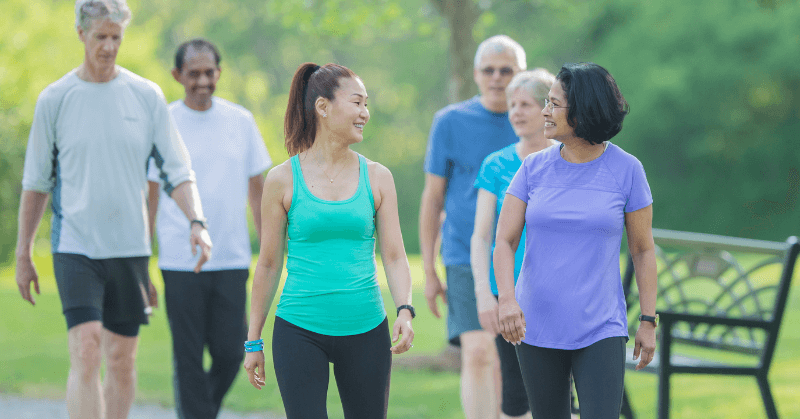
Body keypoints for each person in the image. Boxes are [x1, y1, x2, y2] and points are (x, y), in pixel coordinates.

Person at [14, 1, 212, 418]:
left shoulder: (145, 96)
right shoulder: (56, 99)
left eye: (115, 38)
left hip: (129, 248)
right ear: (81, 34)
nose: (108, 46)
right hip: (75, 247)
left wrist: (197, 221)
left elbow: (178, 170)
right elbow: (36, 184)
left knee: (121, 361)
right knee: (86, 352)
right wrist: (23, 253)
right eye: (100, 37)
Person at [243, 62, 415, 418]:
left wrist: (405, 309)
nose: (365, 113)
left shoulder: (378, 177)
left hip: (367, 328)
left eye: (366, 104)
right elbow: (269, 264)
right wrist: (253, 339)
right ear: (323, 107)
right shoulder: (282, 179)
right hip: (299, 329)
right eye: (357, 103)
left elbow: (395, 255)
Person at [495, 62, 658, 419]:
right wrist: (506, 301)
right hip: (536, 324)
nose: (544, 111)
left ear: (584, 110)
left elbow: (643, 250)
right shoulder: (533, 168)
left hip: (600, 326)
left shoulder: (628, 170)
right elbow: (504, 242)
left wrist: (647, 319)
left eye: (554, 104)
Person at [146, 39, 271, 419]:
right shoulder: (163, 123)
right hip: (179, 259)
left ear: (219, 72)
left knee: (232, 352)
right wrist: (141, 258)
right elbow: (150, 196)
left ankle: (199, 413)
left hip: (231, 257)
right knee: (187, 356)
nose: (202, 81)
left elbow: (258, 192)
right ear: (177, 75)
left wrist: (268, 247)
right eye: (193, 73)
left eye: (209, 72)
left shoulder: (241, 121)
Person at [419, 34, 525, 418]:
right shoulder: (450, 121)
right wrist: (430, 271)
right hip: (466, 253)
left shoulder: (536, 121)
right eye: (489, 70)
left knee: (515, 359)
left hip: (525, 256)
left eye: (506, 70)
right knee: (480, 354)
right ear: (476, 74)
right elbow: (432, 200)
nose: (497, 78)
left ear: (521, 75)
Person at [471, 69, 558, 419]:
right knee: (515, 391)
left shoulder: (568, 160)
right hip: (507, 295)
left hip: (556, 293)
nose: (516, 113)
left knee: (557, 390)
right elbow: (480, 237)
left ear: (548, 109)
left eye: (526, 104)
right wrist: (483, 294)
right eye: (512, 105)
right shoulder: (497, 164)